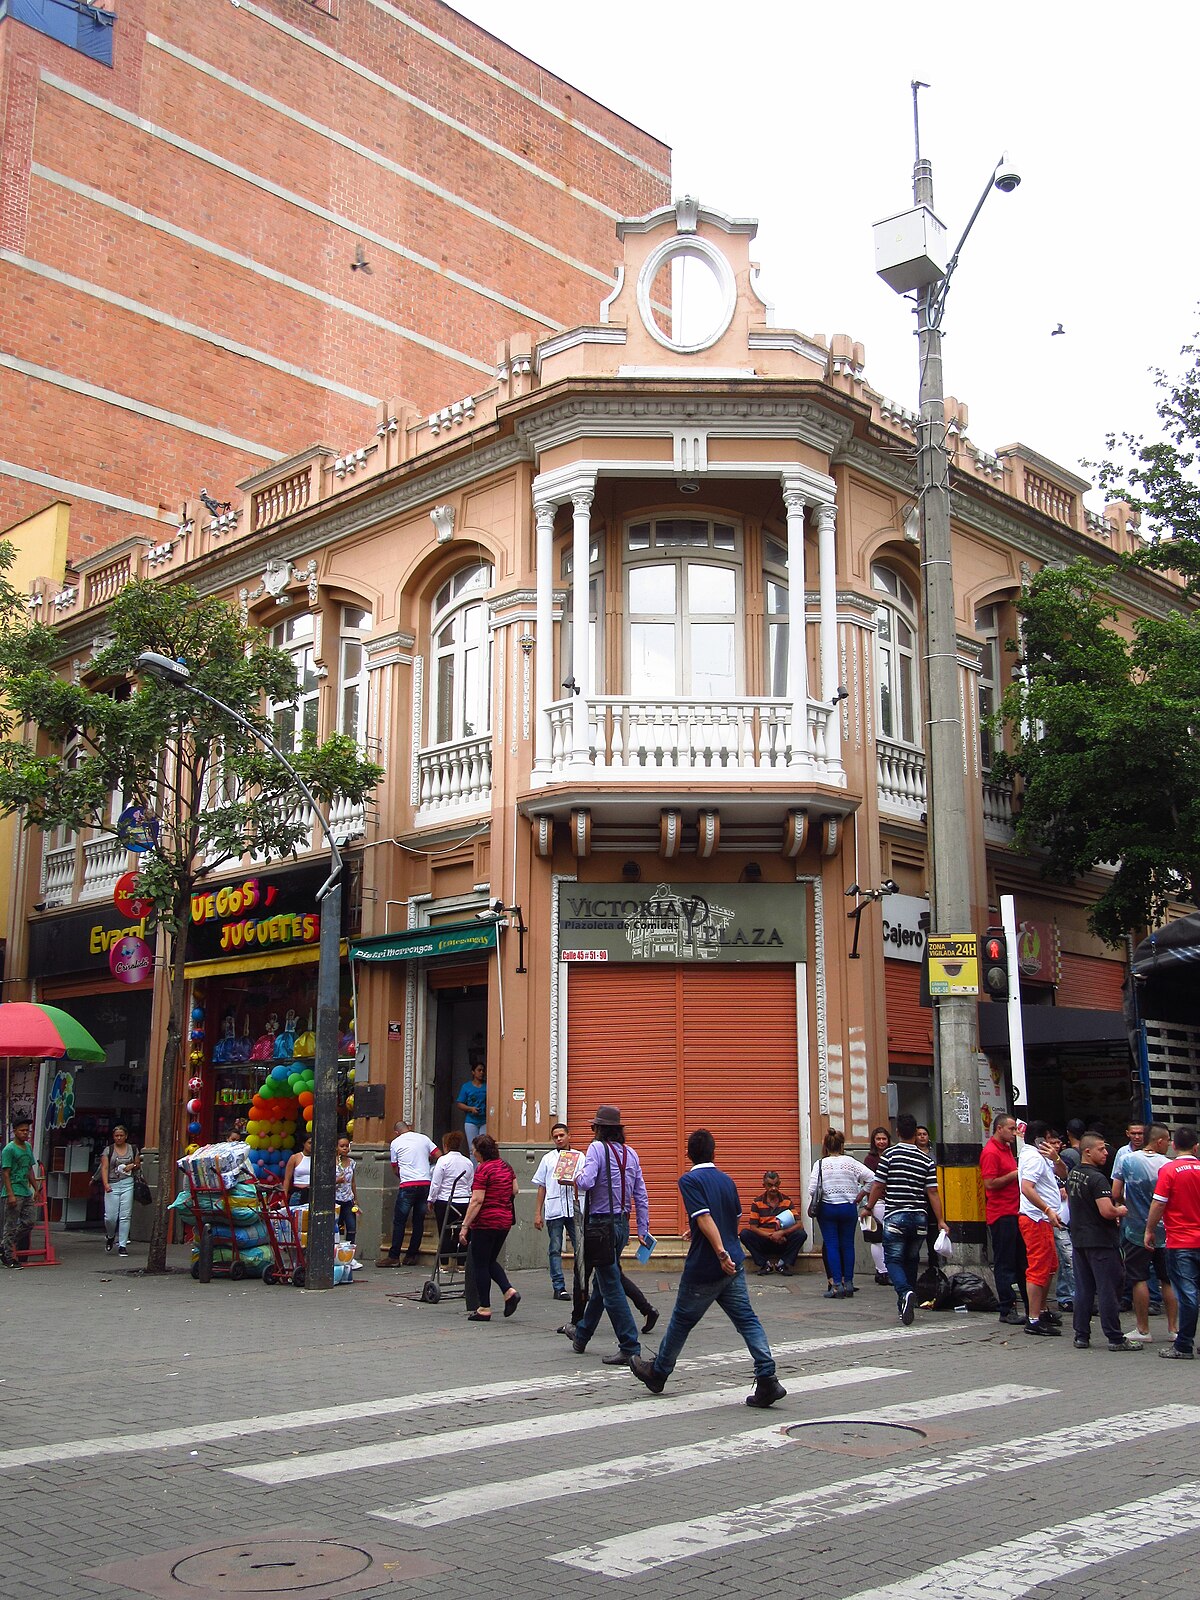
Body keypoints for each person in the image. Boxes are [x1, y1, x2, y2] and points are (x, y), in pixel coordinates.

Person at [631, 1128, 786, 1409]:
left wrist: (719, 1251)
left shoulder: (689, 1180)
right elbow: (730, 1218)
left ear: (689, 1154)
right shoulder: (727, 1181)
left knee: (681, 1320)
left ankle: (658, 1372)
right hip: (734, 1266)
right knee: (747, 1320)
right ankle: (767, 1377)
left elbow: (704, 1218)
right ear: (714, 1152)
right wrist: (712, 1240)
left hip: (708, 1266)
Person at [570, 1104, 651, 1367]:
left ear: (599, 1129)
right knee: (602, 1282)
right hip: (622, 1225)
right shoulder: (632, 1154)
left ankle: (629, 1345)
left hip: (600, 1225)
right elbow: (641, 1194)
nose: (592, 1131)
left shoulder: (596, 1149)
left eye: (593, 1127)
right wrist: (643, 1229)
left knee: (610, 1285)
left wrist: (575, 1176)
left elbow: (587, 1181)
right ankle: (581, 1335)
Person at [1065, 1133, 1142, 1352]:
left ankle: (1081, 1335)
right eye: (1101, 1149)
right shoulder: (1098, 1179)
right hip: (1100, 1241)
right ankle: (1115, 1337)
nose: (1106, 1153)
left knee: (1084, 1289)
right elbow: (1106, 1211)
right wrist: (1120, 1210)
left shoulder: (1074, 1174)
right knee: (1108, 1288)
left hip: (1080, 1240)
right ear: (1087, 1151)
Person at [867, 1112, 945, 1326]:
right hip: (920, 1217)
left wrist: (869, 1206)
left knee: (892, 1259)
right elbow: (933, 1192)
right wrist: (941, 1220)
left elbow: (878, 1185)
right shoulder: (926, 1159)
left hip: (896, 1216)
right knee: (911, 1260)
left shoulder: (889, 1156)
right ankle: (906, 1301)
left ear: (898, 1132)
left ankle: (905, 1291)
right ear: (915, 1133)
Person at [1112, 1121, 1178, 1344]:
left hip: (1135, 1229)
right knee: (1167, 1279)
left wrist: (1127, 1205)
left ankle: (1143, 1329)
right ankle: (1173, 1329)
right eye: (1167, 1140)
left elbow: (1116, 1192)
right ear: (1159, 1141)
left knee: (1138, 1277)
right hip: (1165, 1230)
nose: (1169, 1144)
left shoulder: (1127, 1160)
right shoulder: (1168, 1165)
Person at [1144, 1124, 1200, 1361]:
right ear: (1196, 1147)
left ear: (1174, 1145)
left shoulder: (1169, 1170)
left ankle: (1184, 1344)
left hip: (1180, 1241)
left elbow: (1158, 1203)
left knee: (1187, 1294)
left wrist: (1149, 1230)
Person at [457, 1133, 520, 1321]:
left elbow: (477, 1200)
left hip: (485, 1222)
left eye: (474, 1150)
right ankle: (509, 1292)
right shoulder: (506, 1166)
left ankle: (484, 1308)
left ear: (480, 1152)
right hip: (504, 1222)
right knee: (490, 1260)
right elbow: (514, 1190)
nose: (473, 1153)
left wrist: (465, 1226)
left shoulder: (483, 1170)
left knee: (480, 1264)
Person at [1017, 1119, 1068, 1337]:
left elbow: (1063, 1174)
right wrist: (1047, 1209)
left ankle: (1042, 1310)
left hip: (1043, 1220)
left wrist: (1056, 1158)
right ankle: (1034, 1318)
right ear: (1039, 1140)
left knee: (1050, 1266)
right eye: (1049, 1140)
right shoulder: (1033, 1159)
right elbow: (1026, 1188)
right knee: (1039, 1268)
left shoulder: (1042, 1158)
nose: (1054, 1144)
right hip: (1036, 1219)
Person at [809, 1130, 873, 1297]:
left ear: (825, 1146)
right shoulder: (851, 1162)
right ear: (842, 1145)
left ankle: (836, 1285)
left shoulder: (820, 1164)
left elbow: (812, 1189)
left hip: (827, 1209)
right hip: (848, 1208)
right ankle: (849, 1283)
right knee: (847, 1245)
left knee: (832, 1245)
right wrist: (861, 1194)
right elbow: (873, 1178)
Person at [979, 1113, 1029, 1325]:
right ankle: (1007, 1308)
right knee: (1005, 1263)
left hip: (1015, 1211)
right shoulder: (990, 1152)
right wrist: (1016, 1174)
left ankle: (1033, 1307)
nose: (1014, 1132)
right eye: (1010, 1128)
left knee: (1022, 1262)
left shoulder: (1007, 1148)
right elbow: (990, 1183)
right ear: (999, 1129)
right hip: (1002, 1214)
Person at [379, 1119, 439, 1267]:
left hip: (408, 1185)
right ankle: (411, 1255)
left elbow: (395, 1168)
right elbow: (439, 1154)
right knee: (419, 1221)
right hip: (425, 1184)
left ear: (396, 1132)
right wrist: (431, 1168)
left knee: (400, 1221)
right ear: (409, 1128)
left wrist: (404, 1176)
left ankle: (394, 1256)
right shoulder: (423, 1138)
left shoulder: (395, 1143)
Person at [533, 1122, 582, 1301]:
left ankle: (581, 1284)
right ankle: (558, 1286)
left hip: (575, 1208)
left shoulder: (580, 1156)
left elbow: (587, 1180)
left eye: (562, 1135)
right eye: (555, 1136)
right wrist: (538, 1213)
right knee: (555, 1248)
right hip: (555, 1209)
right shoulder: (548, 1159)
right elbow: (541, 1186)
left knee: (580, 1248)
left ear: (569, 1136)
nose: (559, 1139)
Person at [739, 1169, 807, 1276]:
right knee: (744, 1234)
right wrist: (771, 1236)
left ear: (779, 1184)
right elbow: (753, 1227)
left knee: (801, 1234)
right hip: (765, 1241)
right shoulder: (757, 1202)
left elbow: (799, 1224)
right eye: (770, 1185)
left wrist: (782, 1233)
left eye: (776, 1185)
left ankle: (783, 1264)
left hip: (783, 1241)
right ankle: (765, 1265)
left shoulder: (787, 1201)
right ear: (764, 1186)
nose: (773, 1188)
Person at [1, 1115, 42, 1269]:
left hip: (25, 1191)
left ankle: (4, 1245)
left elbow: (29, 1169)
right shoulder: (9, 1149)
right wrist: (10, 1194)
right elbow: (5, 1173)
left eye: (27, 1130)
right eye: (22, 1130)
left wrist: (35, 1188)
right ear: (15, 1131)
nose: (25, 1133)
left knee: (29, 1222)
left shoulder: (28, 1147)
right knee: (10, 1224)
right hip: (13, 1190)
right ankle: (7, 1255)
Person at [428, 1130, 474, 1264]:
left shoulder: (443, 1161)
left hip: (445, 1200)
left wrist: (431, 1199)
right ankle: (461, 1262)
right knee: (463, 1230)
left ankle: (444, 1262)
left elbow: (436, 1183)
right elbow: (470, 1183)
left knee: (444, 1231)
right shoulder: (468, 1162)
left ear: (446, 1145)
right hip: (464, 1201)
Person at [100, 1124, 141, 1257]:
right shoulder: (108, 1150)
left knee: (125, 1215)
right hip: (112, 1184)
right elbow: (104, 1168)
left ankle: (122, 1245)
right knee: (110, 1217)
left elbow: (138, 1164)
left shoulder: (132, 1149)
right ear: (113, 1137)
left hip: (127, 1183)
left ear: (126, 1136)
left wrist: (132, 1166)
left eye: (121, 1135)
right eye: (116, 1136)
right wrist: (105, 1183)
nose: (119, 1138)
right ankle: (111, 1235)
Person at [863, 1126, 892, 1284]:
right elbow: (870, 1183)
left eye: (884, 1139)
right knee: (875, 1238)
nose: (881, 1142)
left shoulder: (892, 1156)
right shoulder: (870, 1159)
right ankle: (881, 1271)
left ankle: (884, 1270)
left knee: (887, 1238)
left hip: (890, 1201)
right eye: (878, 1139)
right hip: (875, 1203)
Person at [913, 1125, 940, 1269]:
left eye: (924, 1134)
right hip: (918, 1196)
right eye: (919, 1134)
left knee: (933, 1230)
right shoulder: (913, 1154)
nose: (922, 1136)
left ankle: (933, 1260)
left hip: (932, 1194)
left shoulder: (934, 1154)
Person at [456, 1061, 487, 1153]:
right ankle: (474, 1167)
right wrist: (470, 1109)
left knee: (483, 1147)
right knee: (472, 1148)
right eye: (479, 1070)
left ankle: (482, 1167)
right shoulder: (466, 1087)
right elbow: (459, 1103)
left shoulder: (487, 1086)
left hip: (484, 1121)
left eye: (483, 1070)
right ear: (473, 1072)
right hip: (471, 1121)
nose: (481, 1072)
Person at [335, 1135, 359, 1246]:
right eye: (342, 1146)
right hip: (336, 1199)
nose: (345, 1148)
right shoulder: (332, 1163)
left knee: (352, 1227)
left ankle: (350, 1250)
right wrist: (337, 1181)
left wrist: (356, 1199)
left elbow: (353, 1182)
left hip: (348, 1199)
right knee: (337, 1227)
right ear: (336, 1148)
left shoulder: (352, 1162)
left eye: (347, 1146)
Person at [283, 1136, 312, 1207]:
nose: (312, 1146)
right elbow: (287, 1179)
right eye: (310, 1143)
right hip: (298, 1193)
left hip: (312, 1194)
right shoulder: (295, 1157)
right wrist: (284, 1198)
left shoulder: (317, 1158)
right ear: (303, 1143)